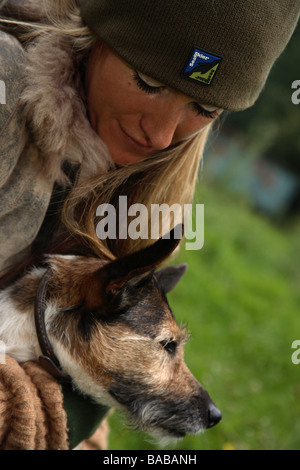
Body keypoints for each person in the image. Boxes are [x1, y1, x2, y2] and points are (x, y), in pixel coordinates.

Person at [0, 0, 298, 450]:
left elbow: (101, 373)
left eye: (204, 107)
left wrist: (68, 427)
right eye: (149, 81)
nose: (161, 136)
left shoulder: (149, 202)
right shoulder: (6, 86)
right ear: (98, 34)